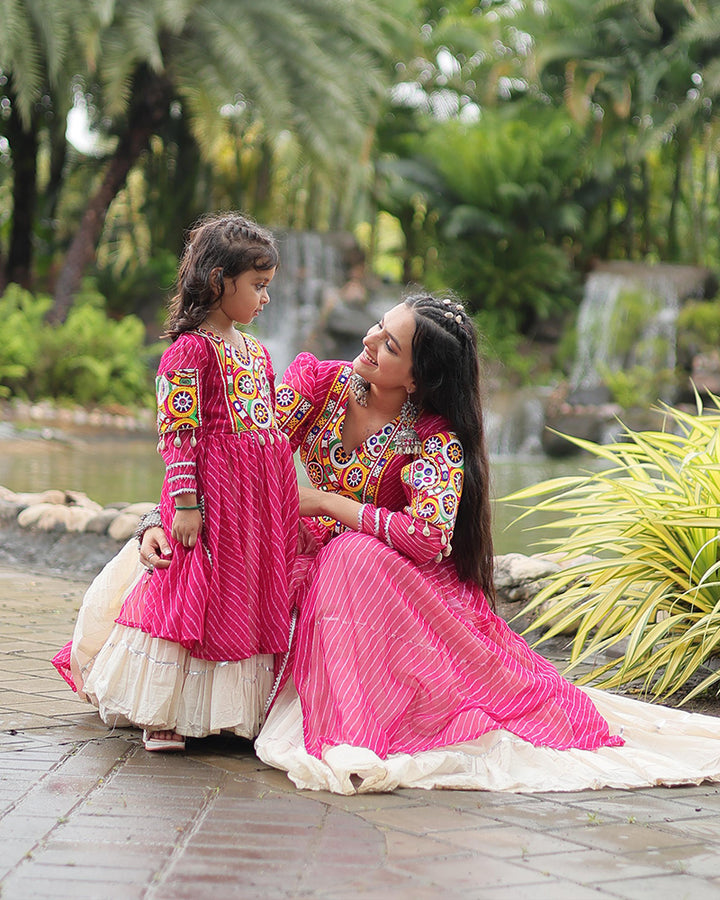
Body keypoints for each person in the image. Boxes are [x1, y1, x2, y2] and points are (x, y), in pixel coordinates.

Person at [52, 212, 299, 752]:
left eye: (267, 287)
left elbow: (269, 427)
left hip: (252, 502)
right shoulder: (188, 351)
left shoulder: (256, 352)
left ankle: (228, 708)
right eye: (257, 286)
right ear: (218, 282)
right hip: (208, 494)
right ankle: (159, 707)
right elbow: (178, 431)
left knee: (240, 592)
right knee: (186, 588)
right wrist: (184, 502)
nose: (264, 299)